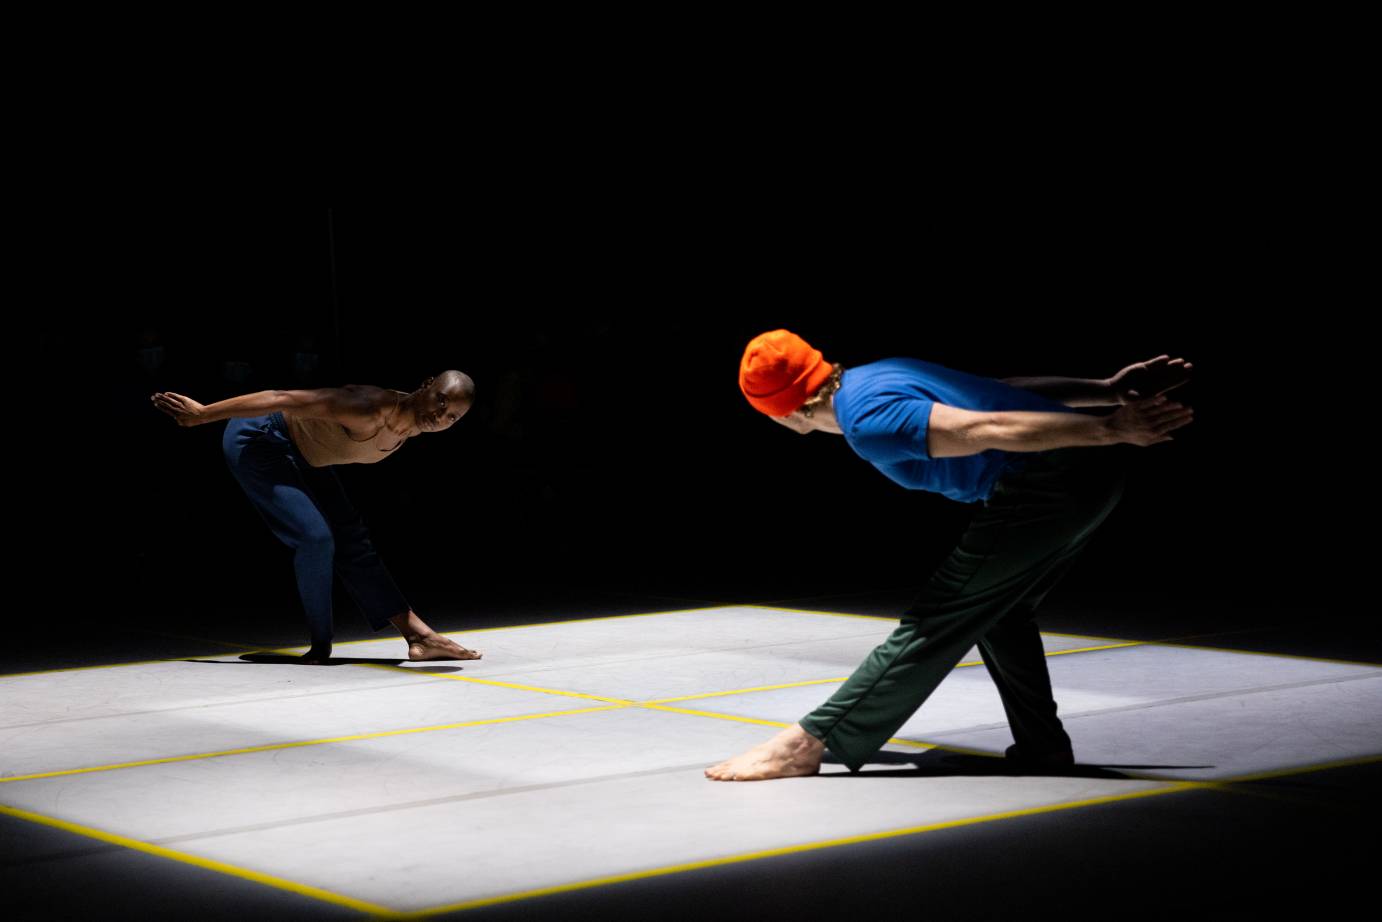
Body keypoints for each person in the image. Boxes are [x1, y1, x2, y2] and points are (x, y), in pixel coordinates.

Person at [706, 331, 1193, 781]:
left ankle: (806, 743)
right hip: (1083, 477)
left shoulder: (867, 421)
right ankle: (1042, 746)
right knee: (1003, 614)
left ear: (782, 414)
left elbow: (988, 423)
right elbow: (1000, 389)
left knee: (935, 619)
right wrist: (1104, 390)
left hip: (1050, 483)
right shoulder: (876, 375)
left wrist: (1110, 428)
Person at [151, 372, 483, 665]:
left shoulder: (415, 425)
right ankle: (320, 644)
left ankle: (419, 637)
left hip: (306, 454)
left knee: (354, 540)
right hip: (259, 439)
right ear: (425, 386)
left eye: (451, 417)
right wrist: (203, 414)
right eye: (441, 401)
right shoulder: (365, 406)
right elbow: (279, 398)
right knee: (316, 538)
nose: (440, 416)